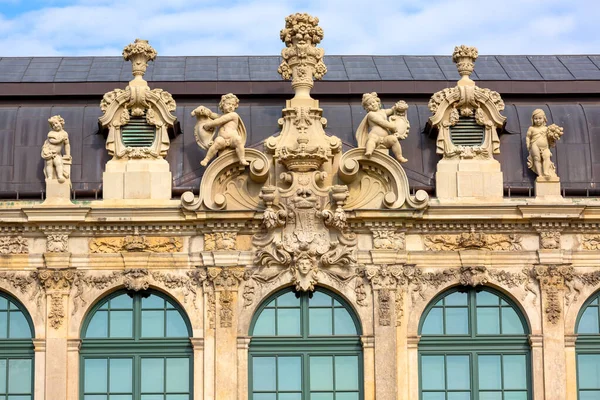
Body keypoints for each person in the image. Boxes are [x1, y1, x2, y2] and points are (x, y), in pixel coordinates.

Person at [197, 93, 248, 167]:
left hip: (232, 139)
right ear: (222, 105)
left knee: (238, 139)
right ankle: (206, 159)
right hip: (223, 140)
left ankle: (242, 159)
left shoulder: (233, 115)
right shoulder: (221, 116)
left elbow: (220, 121)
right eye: (228, 104)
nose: (231, 106)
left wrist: (208, 125)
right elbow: (212, 115)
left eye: (233, 105)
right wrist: (205, 111)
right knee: (217, 142)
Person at [356, 92, 408, 163]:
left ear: (378, 102)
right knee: (372, 139)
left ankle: (399, 156)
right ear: (367, 108)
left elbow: (391, 110)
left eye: (373, 102)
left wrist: (397, 107)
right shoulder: (371, 114)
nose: (373, 105)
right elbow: (381, 122)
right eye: (370, 104)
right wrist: (391, 126)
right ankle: (369, 151)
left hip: (384, 139)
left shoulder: (383, 111)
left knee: (393, 139)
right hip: (375, 137)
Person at [41, 115, 71, 183]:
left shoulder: (64, 134)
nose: (55, 125)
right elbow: (52, 141)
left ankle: (60, 176)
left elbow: (67, 144)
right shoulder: (51, 133)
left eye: (56, 123)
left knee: (59, 163)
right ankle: (50, 177)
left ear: (61, 123)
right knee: (49, 164)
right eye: (53, 124)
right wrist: (60, 140)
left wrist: (68, 155)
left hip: (57, 154)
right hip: (48, 152)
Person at [526, 109, 555, 178]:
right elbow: (528, 137)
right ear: (533, 119)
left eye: (540, 118)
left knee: (547, 156)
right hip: (535, 145)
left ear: (544, 119)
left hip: (545, 147)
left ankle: (546, 171)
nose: (538, 120)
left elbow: (550, 138)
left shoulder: (546, 129)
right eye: (535, 118)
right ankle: (540, 174)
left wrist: (553, 140)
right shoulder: (531, 128)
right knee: (537, 158)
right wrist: (528, 144)